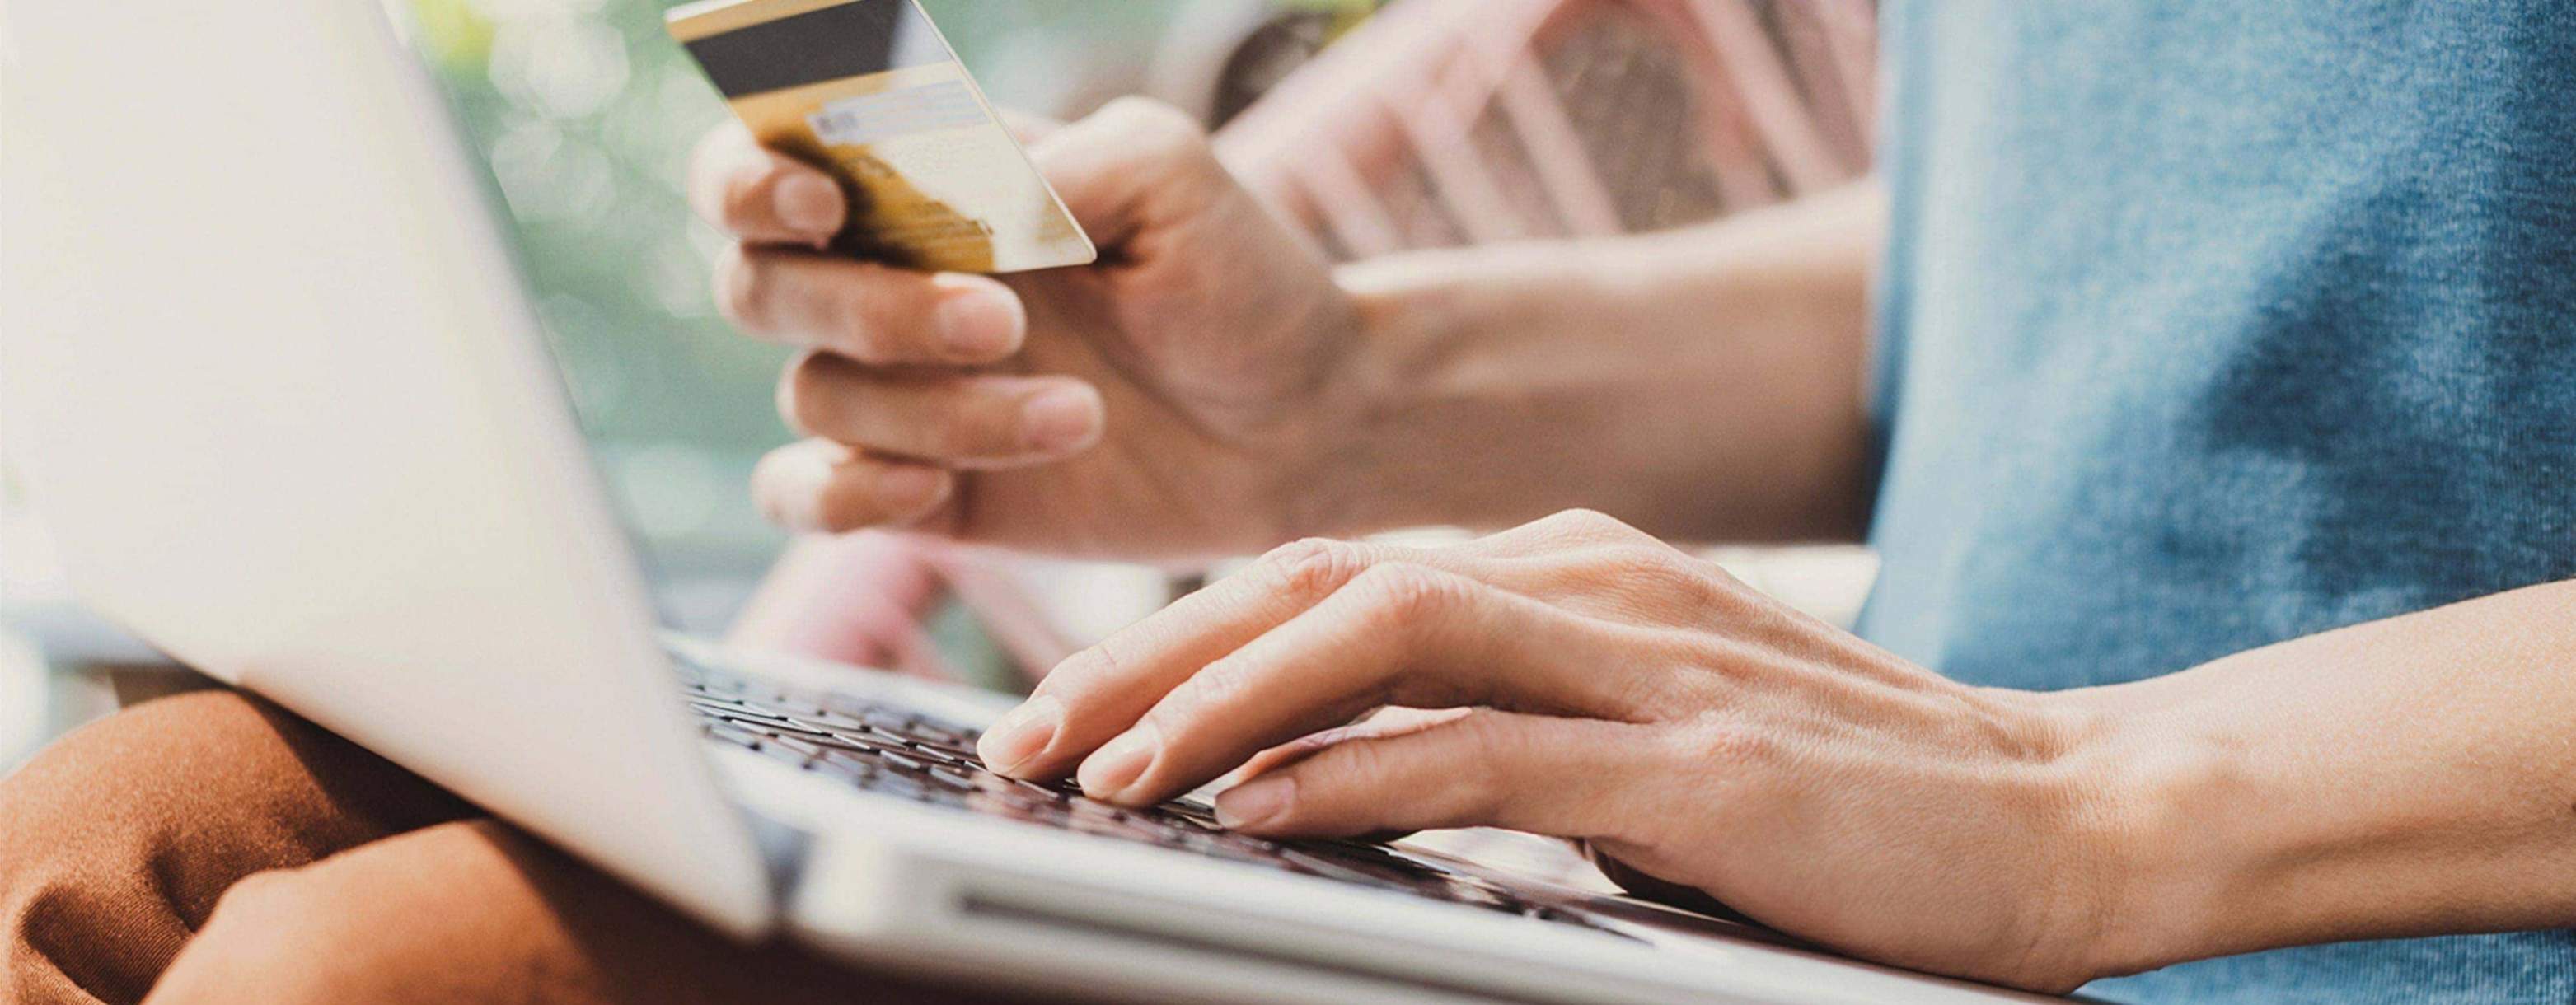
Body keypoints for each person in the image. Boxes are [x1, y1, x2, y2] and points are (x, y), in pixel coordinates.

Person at [4, 4, 2569, 1003]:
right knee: (113, 830)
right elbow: (2197, 247)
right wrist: (1350, 400)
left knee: (395, 991)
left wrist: (2088, 796)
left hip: (2351, 915)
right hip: (1846, 924)